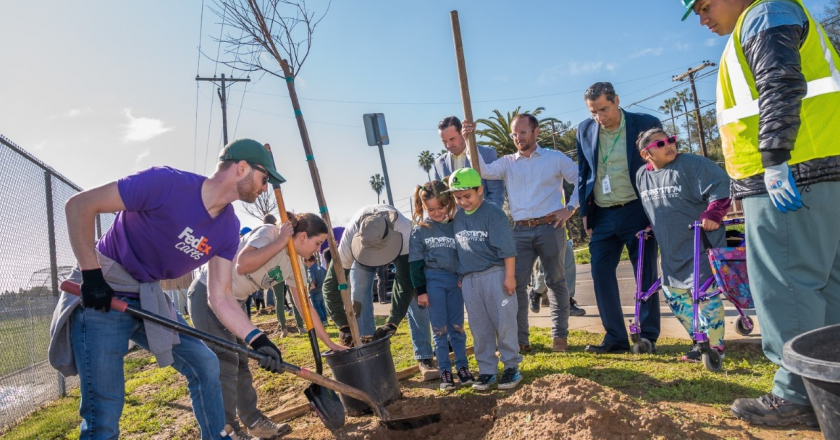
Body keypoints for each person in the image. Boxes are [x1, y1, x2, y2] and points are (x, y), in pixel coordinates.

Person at [48, 139, 287, 439]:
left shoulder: (227, 227)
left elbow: (221, 296)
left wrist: (258, 339)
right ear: (242, 168)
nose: (265, 188)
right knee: (104, 409)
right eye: (265, 179)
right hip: (105, 293)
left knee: (204, 363)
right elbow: (80, 205)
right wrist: (92, 276)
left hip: (148, 296)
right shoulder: (165, 184)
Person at [681, 0, 840, 427]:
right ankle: (829, 390)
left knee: (787, 287)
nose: (702, 18)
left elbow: (780, 83)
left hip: (789, 177)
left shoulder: (765, 15)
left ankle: (796, 394)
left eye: (704, 6)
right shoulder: (775, 14)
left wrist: (773, 158)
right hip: (821, 171)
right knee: (827, 289)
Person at [189, 212, 343, 439]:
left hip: (234, 301)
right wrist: (281, 240)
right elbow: (243, 264)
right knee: (227, 364)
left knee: (241, 363)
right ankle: (227, 430)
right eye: (317, 243)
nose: (318, 250)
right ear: (302, 237)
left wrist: (329, 342)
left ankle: (252, 422)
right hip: (208, 294)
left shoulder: (295, 265)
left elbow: (306, 307)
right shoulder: (269, 233)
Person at [465, 114, 579, 353]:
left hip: (551, 227)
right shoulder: (507, 163)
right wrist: (469, 140)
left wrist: (570, 209)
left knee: (556, 282)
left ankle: (560, 337)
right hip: (519, 231)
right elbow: (482, 171)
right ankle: (520, 340)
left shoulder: (554, 158)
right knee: (514, 286)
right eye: (514, 134)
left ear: (536, 132)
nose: (518, 138)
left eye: (523, 133)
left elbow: (581, 179)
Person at [576, 82, 662, 355]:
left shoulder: (645, 124)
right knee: (600, 273)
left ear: (617, 100)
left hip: (637, 210)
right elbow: (583, 172)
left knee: (645, 273)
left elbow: (662, 166)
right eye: (593, 112)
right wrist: (585, 213)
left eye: (604, 109)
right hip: (601, 213)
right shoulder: (585, 129)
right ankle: (615, 338)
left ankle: (648, 337)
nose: (599, 117)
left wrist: (658, 209)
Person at [635, 128, 731, 362]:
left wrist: (713, 214)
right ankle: (700, 341)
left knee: (705, 296)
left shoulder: (691, 163)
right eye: (660, 144)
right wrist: (650, 227)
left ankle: (715, 349)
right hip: (671, 247)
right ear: (646, 154)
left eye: (670, 140)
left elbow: (721, 185)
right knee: (674, 296)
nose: (669, 145)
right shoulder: (641, 176)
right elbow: (656, 205)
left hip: (701, 242)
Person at [335, 204, 437, 380]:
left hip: (396, 245)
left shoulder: (404, 232)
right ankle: (368, 356)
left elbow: (406, 280)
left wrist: (392, 322)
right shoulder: (348, 239)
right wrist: (342, 324)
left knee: (415, 296)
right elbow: (332, 283)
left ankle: (425, 357)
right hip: (363, 251)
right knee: (358, 292)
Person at [448, 167, 522, 390]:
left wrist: (509, 277)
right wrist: (463, 275)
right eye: (458, 197)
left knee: (505, 322)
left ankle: (511, 367)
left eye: (467, 196)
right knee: (480, 328)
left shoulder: (493, 213)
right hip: (470, 280)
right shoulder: (458, 217)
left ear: (480, 190)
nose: (463, 201)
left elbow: (508, 249)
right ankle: (487, 370)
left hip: (495, 275)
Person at [409, 180, 477, 391]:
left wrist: (462, 275)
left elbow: (464, 254)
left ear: (450, 204)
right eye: (431, 209)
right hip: (433, 284)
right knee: (439, 330)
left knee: (457, 327)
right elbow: (415, 264)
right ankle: (444, 372)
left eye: (441, 207)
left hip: (455, 283)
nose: (436, 213)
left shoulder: (456, 225)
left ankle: (463, 368)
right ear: (423, 208)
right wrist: (421, 291)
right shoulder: (420, 230)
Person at [434, 116, 505, 207]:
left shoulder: (486, 154)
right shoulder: (438, 163)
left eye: (452, 139)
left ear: (461, 132)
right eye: (444, 141)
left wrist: (488, 216)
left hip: (484, 218)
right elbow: (441, 198)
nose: (448, 145)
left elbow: (496, 193)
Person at [305, 255, 329, 325]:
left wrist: (309, 289)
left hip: (315, 291)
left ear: (307, 261)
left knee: (317, 307)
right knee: (322, 305)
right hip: (322, 289)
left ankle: (323, 320)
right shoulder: (321, 268)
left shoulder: (310, 269)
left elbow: (312, 282)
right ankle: (325, 320)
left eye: (305, 262)